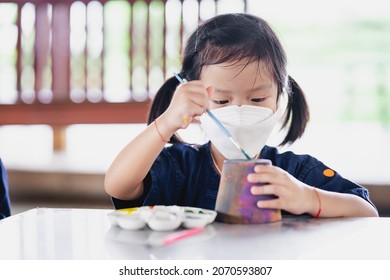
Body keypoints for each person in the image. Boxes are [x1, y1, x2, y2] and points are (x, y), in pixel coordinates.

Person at [105, 13, 378, 218]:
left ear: (280, 99)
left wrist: (309, 198)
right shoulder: (180, 168)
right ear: (197, 102)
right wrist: (167, 122)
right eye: (222, 100)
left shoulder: (295, 173)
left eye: (257, 99)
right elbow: (118, 186)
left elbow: (367, 213)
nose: (239, 111)